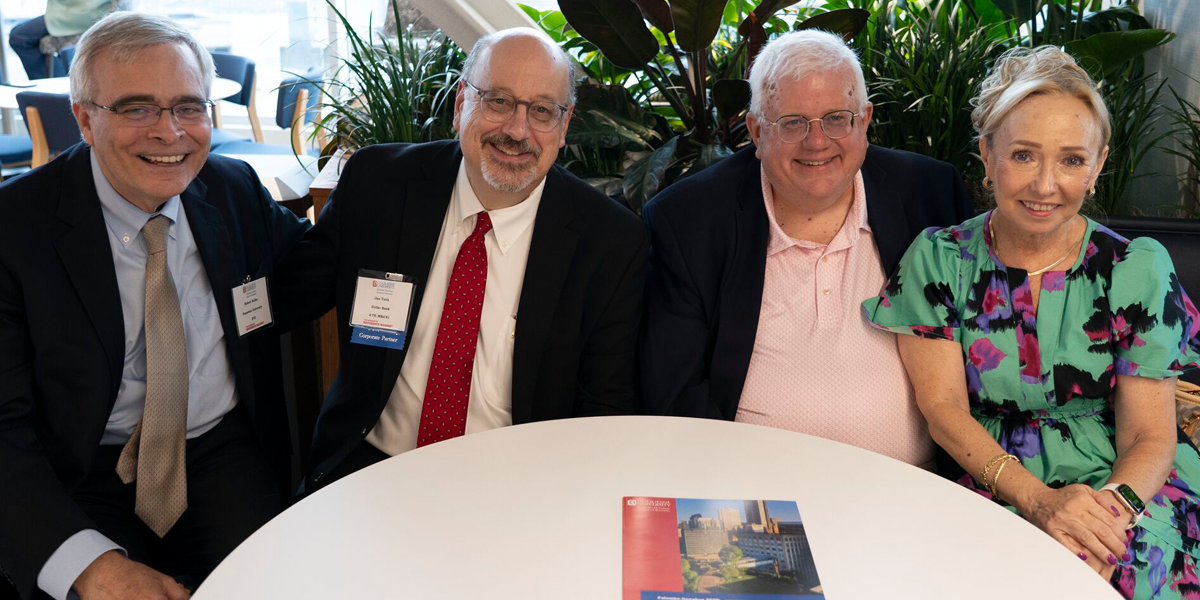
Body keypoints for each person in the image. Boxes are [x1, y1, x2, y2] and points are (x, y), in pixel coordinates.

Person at [863, 46, 1200, 598]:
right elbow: (944, 410)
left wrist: (1102, 529)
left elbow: (1149, 434)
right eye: (1023, 155)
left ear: (1097, 166)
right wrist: (1041, 502)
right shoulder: (940, 259)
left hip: (1130, 487)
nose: (1045, 186)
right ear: (987, 153)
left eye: (1071, 160)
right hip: (994, 479)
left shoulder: (1136, 268)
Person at [0, 12, 310, 600]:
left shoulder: (233, 190)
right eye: (136, 108)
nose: (170, 133)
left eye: (188, 107)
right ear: (84, 119)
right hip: (78, 466)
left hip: (218, 451)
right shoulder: (14, 230)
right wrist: (91, 568)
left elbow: (314, 269)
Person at [271, 28, 648, 492]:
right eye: (498, 101)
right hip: (369, 466)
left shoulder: (610, 242)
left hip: (517, 486)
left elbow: (604, 412)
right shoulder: (379, 185)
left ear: (564, 124)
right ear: (459, 105)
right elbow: (286, 292)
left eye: (542, 111)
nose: (517, 131)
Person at [639, 29, 973, 467]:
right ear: (756, 131)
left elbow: (984, 353)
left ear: (864, 121)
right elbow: (675, 392)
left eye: (836, 118)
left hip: (921, 487)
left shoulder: (930, 193)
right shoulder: (689, 220)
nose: (817, 142)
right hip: (753, 489)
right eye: (793, 123)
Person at [7, 0, 113, 79]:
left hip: (83, 11)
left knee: (18, 37)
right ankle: (52, 82)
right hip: (79, 9)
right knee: (18, 33)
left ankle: (48, 85)